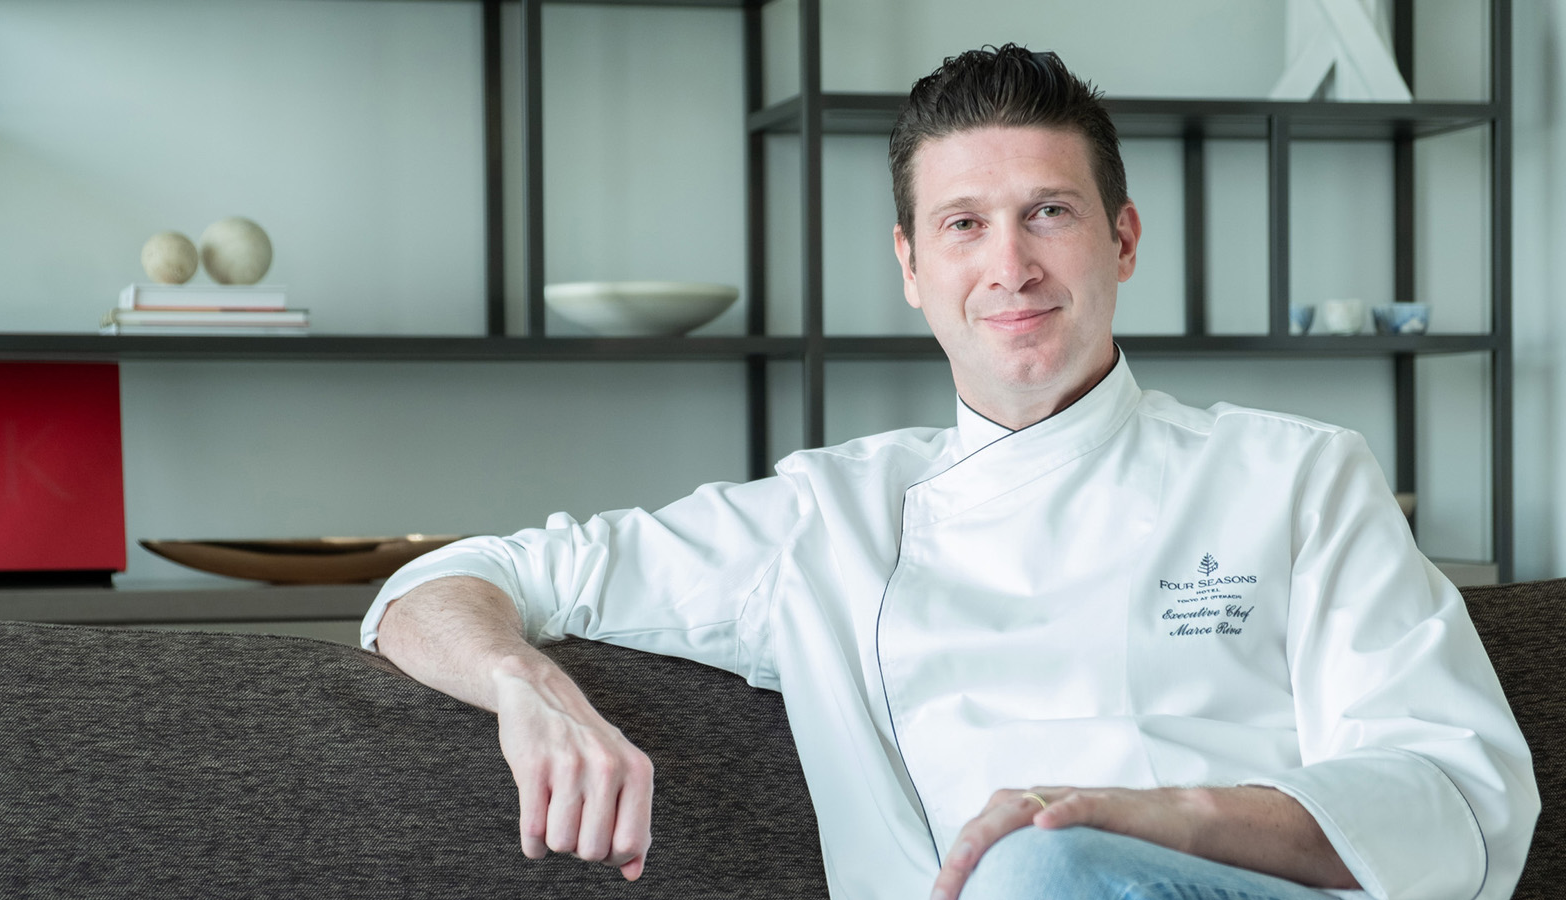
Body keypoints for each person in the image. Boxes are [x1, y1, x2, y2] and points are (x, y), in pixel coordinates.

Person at [361, 45, 1537, 900]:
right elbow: (452, 583)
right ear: (911, 266)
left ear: (1122, 240)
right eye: (964, 224)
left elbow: (1454, 793)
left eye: (1048, 213)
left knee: (1043, 867)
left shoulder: (1295, 477)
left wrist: (1141, 817)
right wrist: (527, 689)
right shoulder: (823, 520)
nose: (1009, 265)